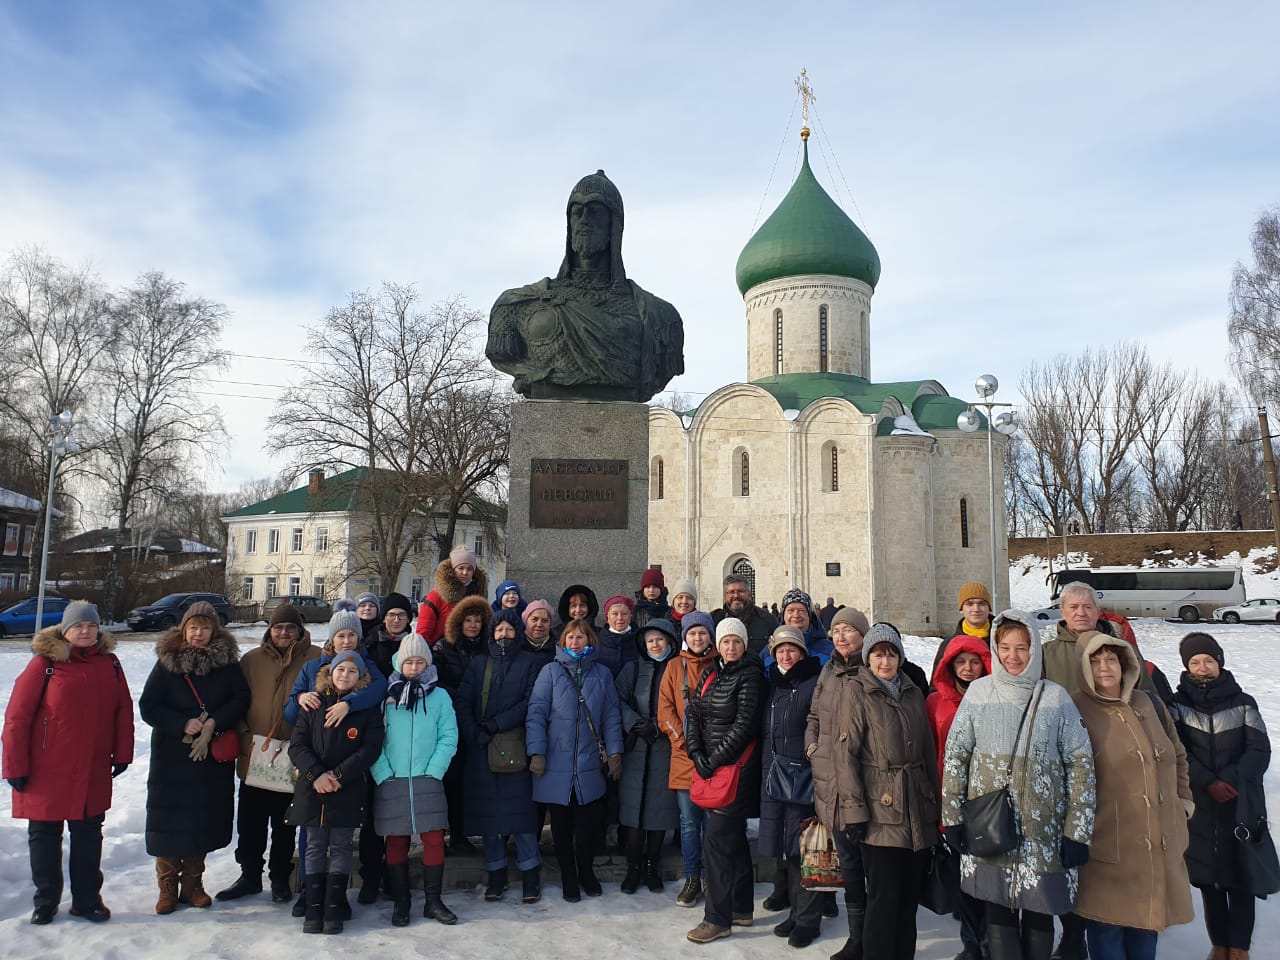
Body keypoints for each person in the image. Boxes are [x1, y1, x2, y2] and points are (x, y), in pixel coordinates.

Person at [942, 610, 1096, 960]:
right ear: (995, 649)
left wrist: (1077, 831)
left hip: (1044, 832)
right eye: (1005, 647)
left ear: (1035, 650)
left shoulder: (1055, 698)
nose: (1013, 656)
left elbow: (1081, 766)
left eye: (1022, 648)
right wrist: (952, 817)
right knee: (998, 914)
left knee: (1040, 915)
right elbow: (956, 757)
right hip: (991, 828)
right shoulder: (979, 693)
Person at [485, 167, 685, 402]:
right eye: (577, 212)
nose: (584, 221)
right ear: (569, 223)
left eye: (595, 212)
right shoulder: (516, 305)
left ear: (614, 225)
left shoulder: (659, 317)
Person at [1042, 582, 1156, 959]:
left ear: (1097, 609)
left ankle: (1130, 927)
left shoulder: (1119, 648)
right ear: (1062, 612)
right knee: (1076, 863)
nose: (1080, 612)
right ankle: (1074, 935)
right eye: (1072, 606)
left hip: (1123, 775)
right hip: (1068, 775)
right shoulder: (1046, 655)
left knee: (1120, 862)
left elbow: (1149, 699)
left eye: (1087, 605)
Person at [3, 600, 133, 925]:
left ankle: (87, 901)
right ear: (66, 630)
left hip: (92, 767)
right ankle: (45, 901)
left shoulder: (111, 664)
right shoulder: (44, 665)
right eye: (78, 626)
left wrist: (124, 752)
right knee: (45, 835)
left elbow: (123, 711)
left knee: (89, 835)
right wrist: (14, 766)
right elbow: (17, 718)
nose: (86, 631)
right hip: (46, 769)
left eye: (91, 625)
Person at [1071, 632, 1193, 959]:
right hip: (1109, 842)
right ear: (1083, 668)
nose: (1104, 668)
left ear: (1124, 662)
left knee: (1146, 928)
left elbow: (1178, 754)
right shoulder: (1074, 708)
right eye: (1094, 662)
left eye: (1110, 659)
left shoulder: (1147, 702)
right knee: (1107, 930)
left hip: (1158, 840)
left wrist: (1184, 803)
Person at [832, 623, 940, 960]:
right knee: (883, 900)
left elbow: (926, 752)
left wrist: (934, 805)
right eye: (879, 654)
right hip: (880, 813)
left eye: (891, 653)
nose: (885, 661)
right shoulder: (857, 691)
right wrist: (853, 811)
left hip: (915, 811)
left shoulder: (911, 691)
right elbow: (846, 755)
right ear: (868, 658)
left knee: (908, 902)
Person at [140, 602, 251, 915]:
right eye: (193, 628)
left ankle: (193, 885)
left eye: (204, 628)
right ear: (183, 629)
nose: (199, 634)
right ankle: (167, 887)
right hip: (173, 756)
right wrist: (181, 723)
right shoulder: (168, 663)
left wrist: (216, 720)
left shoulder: (227, 664)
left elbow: (241, 698)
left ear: (214, 630)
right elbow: (149, 705)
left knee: (200, 820)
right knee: (169, 820)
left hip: (210, 756)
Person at [1169, 632, 1274, 960]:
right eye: (1195, 662)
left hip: (1239, 804)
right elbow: (1177, 751)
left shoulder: (1244, 703)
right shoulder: (1176, 707)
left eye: (1208, 661)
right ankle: (1219, 946)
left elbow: (1259, 749)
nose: (1202, 668)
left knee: (1242, 878)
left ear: (1220, 663)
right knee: (1209, 881)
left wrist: (1228, 780)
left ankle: (1239, 948)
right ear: (1186, 666)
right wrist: (1207, 782)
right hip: (1200, 807)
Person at [218, 603, 320, 904]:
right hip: (255, 754)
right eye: (279, 627)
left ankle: (279, 877)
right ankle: (249, 874)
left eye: (290, 627)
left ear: (299, 630)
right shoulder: (251, 660)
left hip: (294, 755)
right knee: (250, 821)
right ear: (270, 630)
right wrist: (244, 736)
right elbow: (236, 701)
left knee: (285, 823)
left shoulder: (315, 658)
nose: (284, 632)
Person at [286, 650, 385, 935]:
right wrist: (317, 774)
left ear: (360, 677)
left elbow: (371, 747)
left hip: (347, 787)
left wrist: (339, 775)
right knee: (315, 845)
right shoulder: (313, 704)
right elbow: (297, 745)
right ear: (330, 673)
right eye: (340, 670)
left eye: (352, 672)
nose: (345, 676)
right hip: (312, 786)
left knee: (341, 845)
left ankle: (334, 906)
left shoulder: (365, 710)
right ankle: (314, 907)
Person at [526, 617, 624, 901]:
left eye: (580, 637)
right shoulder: (550, 672)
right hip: (555, 763)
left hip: (589, 763)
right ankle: (569, 876)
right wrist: (537, 753)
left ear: (589, 641)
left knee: (587, 827)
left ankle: (586, 871)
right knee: (560, 827)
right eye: (570, 637)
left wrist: (615, 752)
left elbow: (611, 716)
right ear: (562, 641)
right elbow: (536, 714)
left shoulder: (602, 674)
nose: (575, 641)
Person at [683, 617, 767, 944]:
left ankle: (717, 917)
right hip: (713, 766)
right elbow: (694, 713)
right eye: (726, 641)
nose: (731, 647)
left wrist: (713, 760)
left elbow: (744, 725)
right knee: (732, 840)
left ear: (745, 644)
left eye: (737, 642)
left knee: (716, 843)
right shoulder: (712, 671)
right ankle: (741, 907)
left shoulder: (750, 675)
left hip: (737, 771)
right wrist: (695, 752)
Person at [455, 609, 544, 904]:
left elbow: (530, 701)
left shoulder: (530, 663)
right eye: (499, 629)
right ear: (491, 633)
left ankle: (531, 874)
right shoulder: (480, 663)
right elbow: (463, 701)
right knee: (489, 820)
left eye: (509, 629)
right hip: (481, 751)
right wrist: (471, 732)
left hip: (514, 747)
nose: (504, 634)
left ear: (518, 633)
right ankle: (496, 874)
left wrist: (496, 724)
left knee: (522, 819)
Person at [371, 633, 459, 926]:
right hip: (392, 777)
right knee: (396, 839)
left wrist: (435, 769)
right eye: (409, 661)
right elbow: (375, 738)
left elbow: (449, 735)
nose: (414, 667)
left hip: (427, 777)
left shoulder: (440, 696)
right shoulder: (386, 695)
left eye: (420, 661)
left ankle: (433, 901)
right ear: (399, 661)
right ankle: (401, 900)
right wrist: (383, 773)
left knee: (433, 838)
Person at [805, 605, 872, 960]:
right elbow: (814, 714)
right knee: (848, 863)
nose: (842, 636)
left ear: (862, 635)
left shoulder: (871, 670)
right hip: (830, 780)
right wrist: (812, 747)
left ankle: (874, 935)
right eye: (838, 630)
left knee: (870, 865)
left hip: (864, 783)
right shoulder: (829, 671)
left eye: (850, 630)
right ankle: (857, 937)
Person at [759, 624, 825, 948]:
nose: (786, 655)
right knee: (788, 852)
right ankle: (796, 913)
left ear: (802, 652)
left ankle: (809, 921)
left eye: (792, 649)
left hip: (802, 779)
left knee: (807, 852)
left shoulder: (813, 683)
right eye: (780, 650)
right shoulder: (775, 685)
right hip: (776, 779)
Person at [927, 634, 992, 960]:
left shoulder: (996, 699)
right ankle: (972, 945)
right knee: (964, 882)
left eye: (974, 661)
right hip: (950, 802)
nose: (967, 668)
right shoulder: (935, 702)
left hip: (989, 804)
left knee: (990, 882)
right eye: (961, 662)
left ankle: (992, 943)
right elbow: (930, 752)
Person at [615, 618, 680, 894]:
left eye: (660, 640)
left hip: (665, 747)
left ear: (669, 642)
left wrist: (662, 725)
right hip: (637, 746)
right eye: (650, 640)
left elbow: (684, 704)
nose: (655, 644)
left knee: (658, 810)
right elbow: (616, 699)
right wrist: (634, 722)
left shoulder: (677, 668)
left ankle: (652, 866)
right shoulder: (632, 669)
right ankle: (633, 867)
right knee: (633, 810)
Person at [658, 610, 719, 907]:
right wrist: (680, 740)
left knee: (711, 821)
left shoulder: (720, 664)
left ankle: (711, 875)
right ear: (685, 637)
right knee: (688, 822)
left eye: (702, 633)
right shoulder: (673, 667)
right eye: (692, 633)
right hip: (684, 756)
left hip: (715, 755)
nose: (697, 638)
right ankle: (693, 876)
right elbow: (665, 708)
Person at [435, 594, 490, 853]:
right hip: (450, 721)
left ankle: (463, 833)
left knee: (471, 781)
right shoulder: (444, 646)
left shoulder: (488, 648)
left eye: (478, 621)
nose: (473, 625)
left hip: (478, 720)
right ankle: (445, 834)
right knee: (450, 781)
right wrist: (460, 695)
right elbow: (435, 679)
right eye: (468, 620)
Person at [415, 544, 489, 644]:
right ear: (453, 570)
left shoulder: (478, 596)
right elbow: (423, 635)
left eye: (469, 569)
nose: (465, 572)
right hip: (441, 654)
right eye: (461, 568)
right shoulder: (436, 597)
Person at [931, 582, 994, 677]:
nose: (976, 609)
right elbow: (937, 682)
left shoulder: (1002, 640)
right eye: (969, 604)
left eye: (982, 603)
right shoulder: (949, 644)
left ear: (989, 608)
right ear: (961, 609)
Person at [712, 574, 777, 656]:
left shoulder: (767, 619)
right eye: (731, 592)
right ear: (725, 596)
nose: (736, 596)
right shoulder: (714, 619)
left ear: (749, 594)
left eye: (741, 591)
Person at [365, 592, 414, 685]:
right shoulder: (370, 644)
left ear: (408, 619)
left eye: (402, 615)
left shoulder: (415, 645)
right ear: (384, 618)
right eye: (391, 615)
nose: (396, 620)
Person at [775, 588, 833, 665]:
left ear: (809, 616)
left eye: (801, 610)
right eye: (790, 610)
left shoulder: (828, 650)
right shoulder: (770, 650)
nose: (796, 615)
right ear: (783, 615)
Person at [599, 594, 640, 677]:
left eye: (624, 614)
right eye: (615, 614)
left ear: (630, 616)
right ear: (607, 617)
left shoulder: (641, 639)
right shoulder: (597, 640)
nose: (620, 618)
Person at [522, 599, 556, 664]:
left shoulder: (558, 650)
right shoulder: (514, 646)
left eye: (545, 620)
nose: (539, 624)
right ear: (526, 621)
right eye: (534, 619)